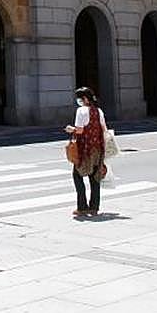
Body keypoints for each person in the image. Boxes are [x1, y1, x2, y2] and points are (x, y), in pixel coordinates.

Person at [64, 86, 107, 217]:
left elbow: (80, 130)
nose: (78, 101)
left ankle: (82, 207)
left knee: (77, 176)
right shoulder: (98, 111)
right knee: (95, 178)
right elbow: (104, 129)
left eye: (79, 99)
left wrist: (70, 129)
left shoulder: (81, 111)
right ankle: (94, 207)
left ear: (84, 99)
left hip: (84, 149)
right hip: (97, 149)